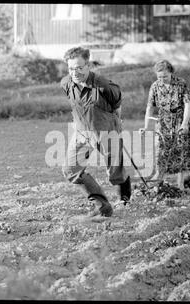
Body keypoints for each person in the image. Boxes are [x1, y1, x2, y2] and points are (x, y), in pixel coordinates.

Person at [60, 47, 131, 218]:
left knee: (115, 171)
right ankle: (102, 206)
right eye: (71, 68)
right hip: (81, 134)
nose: (74, 72)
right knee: (70, 170)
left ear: (88, 65)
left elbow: (117, 107)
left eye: (79, 68)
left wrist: (116, 126)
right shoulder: (66, 83)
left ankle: (125, 200)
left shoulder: (104, 85)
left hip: (105, 132)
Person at [139, 59, 190, 190]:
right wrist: (146, 126)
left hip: (179, 121)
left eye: (164, 76)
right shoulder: (155, 86)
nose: (162, 79)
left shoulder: (181, 84)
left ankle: (180, 184)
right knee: (160, 150)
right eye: (159, 77)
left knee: (181, 150)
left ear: (171, 72)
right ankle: (159, 179)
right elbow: (150, 107)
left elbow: (187, 104)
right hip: (162, 122)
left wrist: (185, 123)